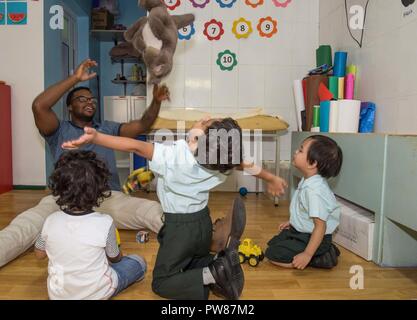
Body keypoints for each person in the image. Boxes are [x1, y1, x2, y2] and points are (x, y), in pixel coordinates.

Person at [62, 117, 288, 300]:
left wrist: (97, 137)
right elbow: (244, 164)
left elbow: (135, 146)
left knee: (162, 282)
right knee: (192, 258)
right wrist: (271, 178)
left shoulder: (176, 156)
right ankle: (217, 264)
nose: (204, 119)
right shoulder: (223, 163)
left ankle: (212, 273)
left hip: (180, 228)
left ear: (197, 143)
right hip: (202, 222)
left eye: (206, 125)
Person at [0, 59, 169, 268]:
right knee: (23, 227)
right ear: (70, 107)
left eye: (92, 100)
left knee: (152, 211)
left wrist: (156, 101)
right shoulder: (57, 129)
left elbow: (142, 125)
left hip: (106, 198)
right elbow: (39, 106)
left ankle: (199, 239)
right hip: (62, 200)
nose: (90, 102)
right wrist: (75, 79)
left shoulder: (106, 128)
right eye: (82, 99)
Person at [34, 150, 147, 300]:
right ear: (99, 190)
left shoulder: (51, 220)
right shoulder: (105, 222)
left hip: (58, 295)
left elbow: (39, 254)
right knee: (139, 261)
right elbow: (115, 258)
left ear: (60, 187)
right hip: (97, 293)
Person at [265, 135, 343, 270]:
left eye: (301, 150)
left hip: (314, 236)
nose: (296, 151)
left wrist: (307, 254)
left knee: (272, 254)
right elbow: (305, 210)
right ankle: (324, 250)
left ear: (312, 163)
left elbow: (320, 227)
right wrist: (293, 221)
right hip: (303, 232)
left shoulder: (314, 191)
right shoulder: (308, 180)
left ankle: (319, 257)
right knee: (274, 243)